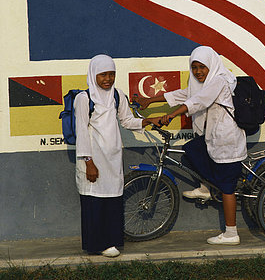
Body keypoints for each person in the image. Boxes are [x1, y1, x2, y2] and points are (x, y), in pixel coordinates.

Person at [138, 46, 246, 246]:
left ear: (211, 65)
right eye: (194, 67)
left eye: (202, 67)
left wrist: (171, 115)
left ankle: (231, 233)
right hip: (213, 137)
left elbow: (197, 101)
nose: (198, 72)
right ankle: (206, 187)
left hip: (226, 140)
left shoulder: (220, 81)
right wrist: (150, 100)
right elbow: (184, 94)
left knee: (227, 188)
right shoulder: (204, 83)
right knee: (192, 150)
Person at [76, 54, 160, 257]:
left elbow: (127, 121)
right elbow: (81, 131)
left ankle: (112, 242)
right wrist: (89, 162)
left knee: (112, 199)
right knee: (94, 200)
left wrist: (148, 121)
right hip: (93, 159)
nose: (108, 79)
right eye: (103, 75)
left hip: (113, 158)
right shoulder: (84, 99)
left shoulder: (117, 95)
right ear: (93, 74)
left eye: (111, 74)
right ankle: (96, 245)